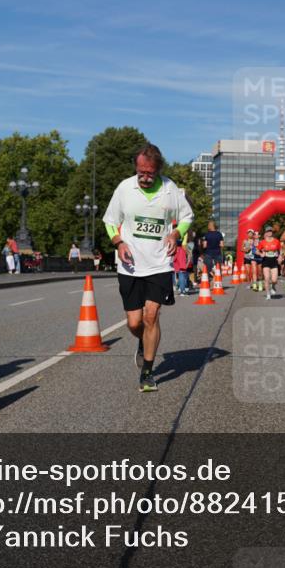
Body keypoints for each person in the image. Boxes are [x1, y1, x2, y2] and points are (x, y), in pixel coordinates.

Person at [103, 144, 193, 392]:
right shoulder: (125, 188)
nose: (144, 177)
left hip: (159, 263)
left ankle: (148, 372)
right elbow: (110, 221)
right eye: (140, 171)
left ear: (158, 169)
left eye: (149, 173)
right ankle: (142, 342)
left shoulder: (169, 189)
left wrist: (176, 233)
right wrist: (118, 242)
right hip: (130, 265)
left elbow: (187, 217)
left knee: (151, 315)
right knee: (135, 323)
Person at [256, 226, 281, 300]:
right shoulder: (262, 242)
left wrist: (280, 257)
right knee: (266, 278)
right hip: (266, 261)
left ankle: (273, 286)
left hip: (274, 261)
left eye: (271, 231)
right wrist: (261, 254)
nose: (269, 232)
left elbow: (281, 250)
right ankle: (268, 294)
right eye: (268, 231)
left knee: (274, 280)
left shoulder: (276, 241)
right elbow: (257, 251)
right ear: (265, 233)